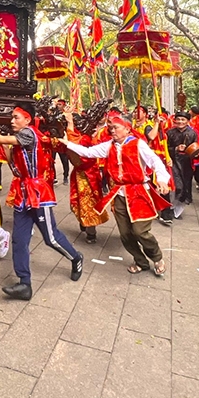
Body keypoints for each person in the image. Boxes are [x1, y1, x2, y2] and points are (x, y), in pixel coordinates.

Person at [0, 106, 84, 302]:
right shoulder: (21, 136)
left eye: (16, 118)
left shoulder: (28, 134)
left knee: (50, 237)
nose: (12, 121)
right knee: (19, 239)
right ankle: (24, 283)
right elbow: (14, 166)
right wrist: (6, 149)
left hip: (38, 193)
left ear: (27, 119)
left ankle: (76, 258)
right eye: (11, 118)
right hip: (24, 193)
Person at [63, 115, 170, 277]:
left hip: (139, 193)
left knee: (141, 232)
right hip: (119, 195)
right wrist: (67, 143)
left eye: (116, 128)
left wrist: (162, 180)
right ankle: (140, 261)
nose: (112, 131)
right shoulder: (108, 146)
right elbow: (88, 152)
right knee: (125, 234)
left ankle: (157, 257)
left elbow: (155, 161)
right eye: (110, 128)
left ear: (127, 129)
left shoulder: (138, 144)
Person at [62, 111, 109, 243]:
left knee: (88, 204)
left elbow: (74, 143)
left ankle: (91, 232)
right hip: (78, 175)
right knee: (76, 203)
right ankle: (84, 223)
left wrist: (70, 122)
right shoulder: (78, 136)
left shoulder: (85, 139)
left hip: (89, 176)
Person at [165, 111, 198, 221]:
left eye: (183, 120)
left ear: (188, 121)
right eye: (178, 119)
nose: (180, 122)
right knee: (176, 186)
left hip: (186, 163)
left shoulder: (193, 133)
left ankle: (177, 210)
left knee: (185, 187)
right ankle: (170, 207)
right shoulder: (169, 133)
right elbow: (165, 148)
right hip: (173, 162)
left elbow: (196, 149)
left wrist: (194, 152)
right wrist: (175, 149)